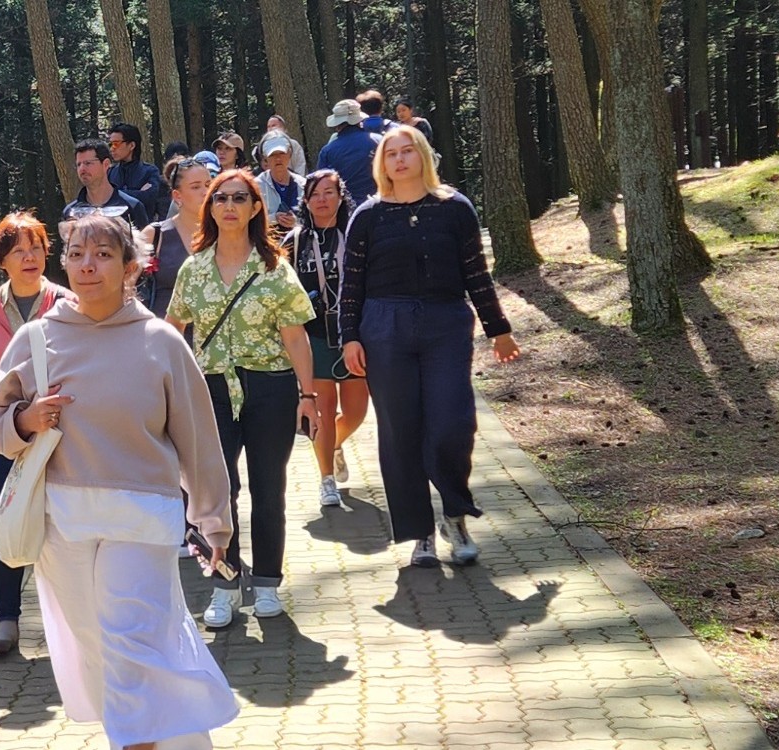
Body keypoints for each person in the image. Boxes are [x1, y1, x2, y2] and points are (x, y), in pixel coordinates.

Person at [0, 215, 239, 750]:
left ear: (132, 266)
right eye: (76, 254)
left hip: (143, 519)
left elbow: (198, 438)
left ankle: (134, 744)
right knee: (97, 647)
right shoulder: (36, 339)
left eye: (101, 254)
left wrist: (214, 522)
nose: (86, 265)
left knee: (132, 642)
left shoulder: (161, 341)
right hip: (64, 523)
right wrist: (27, 421)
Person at [336, 125, 521, 569]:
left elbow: (476, 272)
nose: (400, 160)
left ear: (423, 156)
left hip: (444, 324)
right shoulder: (368, 214)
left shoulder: (454, 209)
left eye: (407, 152)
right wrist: (349, 338)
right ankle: (418, 533)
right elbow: (351, 285)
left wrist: (499, 328)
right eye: (391, 154)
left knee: (452, 423)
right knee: (400, 431)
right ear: (382, 164)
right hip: (385, 327)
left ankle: (454, 516)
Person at [163, 169, 320, 629]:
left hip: (269, 387)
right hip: (210, 389)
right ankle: (225, 584)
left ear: (255, 208)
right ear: (209, 209)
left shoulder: (275, 269)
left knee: (268, 488)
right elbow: (172, 333)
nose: (229, 205)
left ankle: (268, 582)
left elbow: (296, 340)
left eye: (240, 197)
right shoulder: (193, 270)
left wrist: (307, 395)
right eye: (220, 198)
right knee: (217, 491)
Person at [0, 211, 78, 654]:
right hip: (7, 432)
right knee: (9, 519)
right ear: (2, 261)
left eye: (36, 248)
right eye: (18, 251)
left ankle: (68, 622)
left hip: (63, 432)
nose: (30, 257)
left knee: (64, 522)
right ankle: (7, 620)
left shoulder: (66, 302)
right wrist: (12, 386)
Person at [286, 170, 368, 508]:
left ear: (340, 196)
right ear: (306, 200)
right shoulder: (294, 241)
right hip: (314, 336)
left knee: (356, 413)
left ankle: (334, 445)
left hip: (353, 335)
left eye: (329, 193)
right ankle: (326, 480)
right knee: (321, 412)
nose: (322, 199)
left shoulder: (357, 234)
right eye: (315, 194)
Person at [136, 156, 215, 316]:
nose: (205, 192)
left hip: (215, 335)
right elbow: (126, 286)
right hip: (165, 333)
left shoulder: (226, 232)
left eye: (208, 185)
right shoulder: (155, 235)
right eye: (195, 187)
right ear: (177, 196)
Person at [66, 139, 158, 228]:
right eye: (78, 164)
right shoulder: (71, 212)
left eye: (88, 163)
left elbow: (143, 242)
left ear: (106, 164)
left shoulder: (132, 207)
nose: (82, 169)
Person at [316, 98, 382, 204]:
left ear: (336, 124)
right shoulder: (379, 141)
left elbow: (322, 184)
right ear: (359, 120)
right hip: (381, 204)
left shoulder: (328, 151)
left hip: (347, 210)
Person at [106, 122, 171, 216]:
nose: (112, 149)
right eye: (110, 144)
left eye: (116, 144)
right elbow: (104, 198)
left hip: (143, 227)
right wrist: (139, 193)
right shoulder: (110, 172)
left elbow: (149, 198)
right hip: (116, 227)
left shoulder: (150, 171)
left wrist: (115, 193)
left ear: (132, 145)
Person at [256, 134, 306, 226]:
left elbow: (313, 218)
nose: (278, 159)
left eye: (282, 153)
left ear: (290, 154)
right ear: (265, 158)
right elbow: (250, 219)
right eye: (273, 155)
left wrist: (296, 222)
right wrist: (274, 218)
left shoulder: (303, 184)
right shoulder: (256, 186)